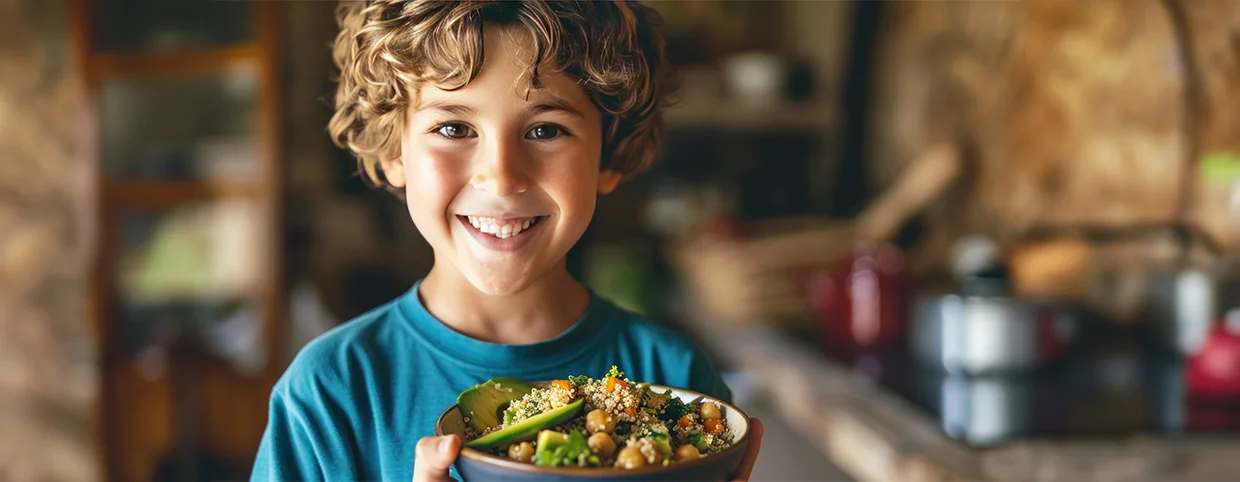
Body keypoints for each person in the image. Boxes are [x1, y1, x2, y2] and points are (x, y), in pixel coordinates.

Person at [251, 1, 763, 481]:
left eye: (545, 131)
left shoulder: (678, 385)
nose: (501, 177)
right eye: (453, 127)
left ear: (608, 155)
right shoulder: (329, 394)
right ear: (393, 149)